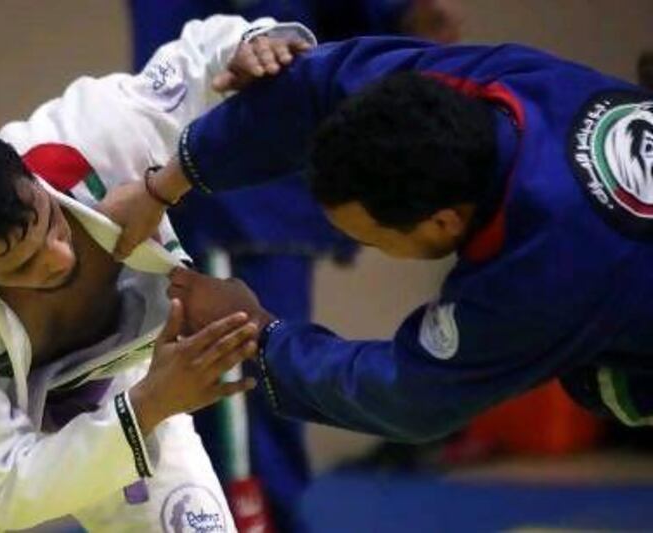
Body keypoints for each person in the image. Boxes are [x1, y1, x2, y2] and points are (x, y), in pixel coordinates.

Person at [0, 16, 312, 532]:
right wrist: (152, 403)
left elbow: (202, 57)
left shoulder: (93, 136)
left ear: (25, 172)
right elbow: (6, 490)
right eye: (21, 264)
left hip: (114, 381)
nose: (58, 257)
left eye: (50, 224)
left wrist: (255, 44)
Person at [110, 35, 653, 444]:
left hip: (615, 285)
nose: (364, 247)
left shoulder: (539, 269)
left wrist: (261, 335)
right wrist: (165, 183)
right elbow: (317, 85)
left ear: (442, 221)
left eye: (371, 238)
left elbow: (408, 394)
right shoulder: (493, 83)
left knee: (601, 380)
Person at [129, 2, 463, 531]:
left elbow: (419, 22)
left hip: (248, 189)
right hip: (195, 181)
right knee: (198, 402)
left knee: (253, 396)